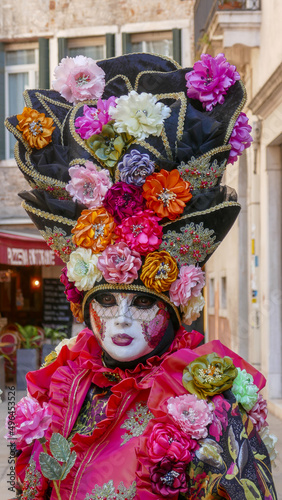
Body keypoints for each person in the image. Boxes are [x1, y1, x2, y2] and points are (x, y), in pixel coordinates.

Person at [5, 52, 277, 500]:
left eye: (144, 302)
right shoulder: (65, 383)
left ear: (174, 304)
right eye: (107, 303)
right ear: (84, 302)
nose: (121, 322)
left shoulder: (214, 405)